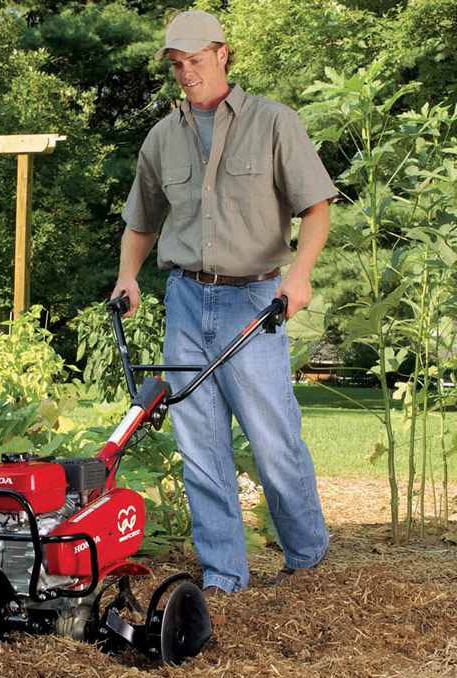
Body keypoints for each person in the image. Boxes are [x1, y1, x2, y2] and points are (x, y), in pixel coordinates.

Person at [111, 9, 335, 596]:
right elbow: (141, 220)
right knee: (200, 448)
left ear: (223, 54)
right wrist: (128, 277)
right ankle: (224, 577)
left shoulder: (273, 123)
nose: (187, 73)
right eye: (177, 65)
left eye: (196, 60)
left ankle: (307, 564)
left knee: (273, 441)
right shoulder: (162, 137)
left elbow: (316, 207)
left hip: (255, 302)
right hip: (186, 301)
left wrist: (300, 275)